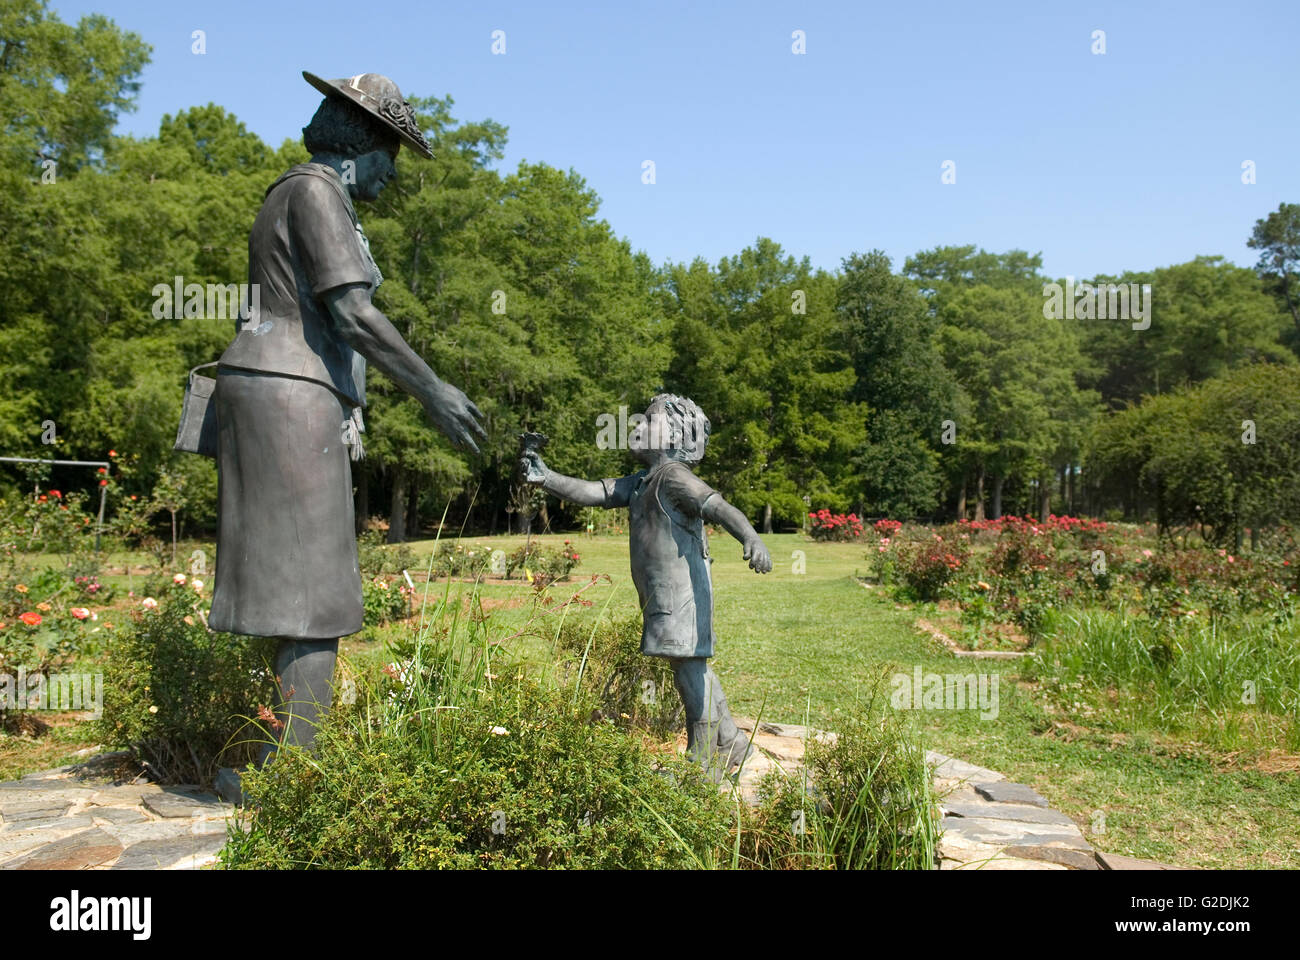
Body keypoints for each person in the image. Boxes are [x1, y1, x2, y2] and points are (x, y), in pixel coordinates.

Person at [209, 71, 486, 761]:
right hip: (288, 393)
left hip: (288, 389)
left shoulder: (303, 192)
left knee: (302, 586)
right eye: (392, 157)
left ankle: (294, 760)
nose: (394, 176)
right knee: (313, 590)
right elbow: (352, 313)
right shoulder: (314, 192)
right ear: (360, 146)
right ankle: (301, 775)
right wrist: (435, 391)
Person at [519, 394, 772, 780]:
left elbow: (718, 506)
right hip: (661, 596)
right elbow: (594, 492)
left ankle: (703, 763)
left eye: (647, 421)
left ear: (675, 437)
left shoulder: (673, 477)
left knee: (688, 668)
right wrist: (546, 476)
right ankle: (731, 740)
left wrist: (751, 538)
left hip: (681, 595)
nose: (636, 426)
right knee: (689, 665)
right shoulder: (642, 481)